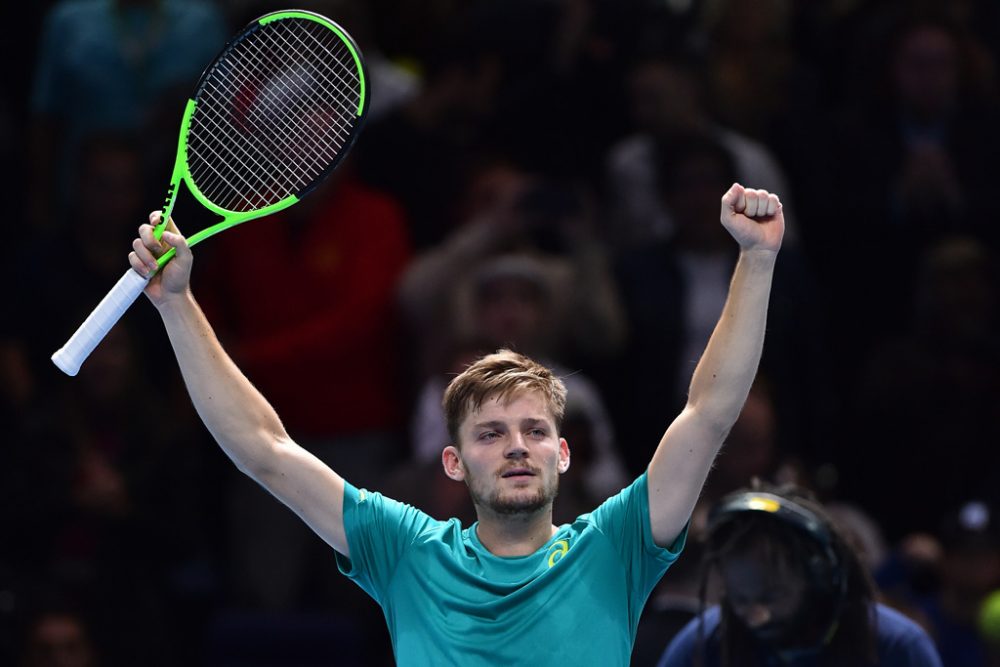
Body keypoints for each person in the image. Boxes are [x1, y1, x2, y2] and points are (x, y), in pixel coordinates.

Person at [125, 183, 783, 664]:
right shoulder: (407, 549)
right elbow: (263, 448)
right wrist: (179, 304)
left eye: (532, 431)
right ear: (454, 462)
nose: (516, 446)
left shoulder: (614, 546)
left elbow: (707, 412)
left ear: (563, 454)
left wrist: (755, 261)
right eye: (490, 434)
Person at [658, 484, 944, 667]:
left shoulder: (899, 648)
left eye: (772, 595)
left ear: (820, 578)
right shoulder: (702, 646)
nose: (756, 615)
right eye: (740, 599)